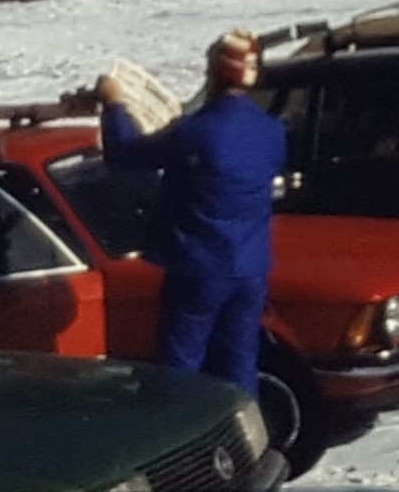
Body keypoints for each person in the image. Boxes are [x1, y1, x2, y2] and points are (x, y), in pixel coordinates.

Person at [97, 30, 286, 399]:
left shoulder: (195, 132)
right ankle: (243, 442)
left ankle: (184, 443)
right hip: (250, 268)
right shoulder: (271, 132)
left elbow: (125, 153)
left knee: (181, 368)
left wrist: (114, 104)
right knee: (239, 364)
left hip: (198, 268)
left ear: (214, 73)